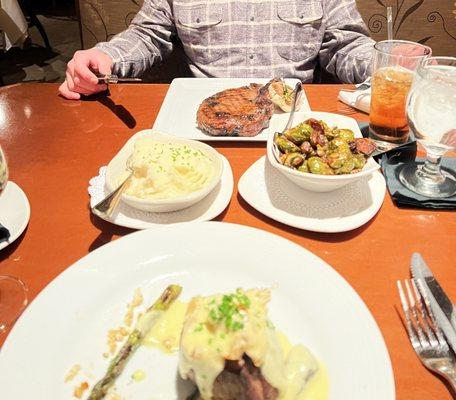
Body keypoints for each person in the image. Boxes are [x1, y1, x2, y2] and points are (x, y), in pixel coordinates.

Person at [59, 0, 374, 100]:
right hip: (200, 121)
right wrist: (108, 56)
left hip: (292, 121)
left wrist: (388, 64)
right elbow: (148, 35)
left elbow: (346, 45)